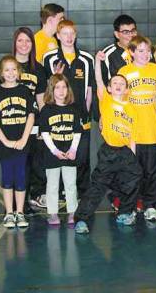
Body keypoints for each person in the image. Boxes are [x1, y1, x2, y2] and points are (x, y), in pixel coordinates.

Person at [74, 59, 142, 233]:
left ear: (127, 89)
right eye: (115, 83)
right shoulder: (106, 101)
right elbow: (98, 79)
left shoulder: (132, 108)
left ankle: (125, 213)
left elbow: (133, 135)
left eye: (122, 83)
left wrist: (133, 156)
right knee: (98, 186)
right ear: (110, 88)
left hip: (126, 152)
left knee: (133, 180)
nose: (118, 85)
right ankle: (82, 219)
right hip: (109, 151)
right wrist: (98, 62)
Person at [42, 20, 94, 198]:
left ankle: (82, 195)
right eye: (65, 33)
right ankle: (62, 194)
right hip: (58, 121)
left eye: (72, 33)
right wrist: (55, 74)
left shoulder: (87, 59)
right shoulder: (49, 58)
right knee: (59, 158)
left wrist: (85, 113)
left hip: (80, 120)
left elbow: (89, 90)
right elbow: (49, 88)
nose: (69, 37)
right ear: (57, 36)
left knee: (81, 159)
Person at [118, 36, 156, 221]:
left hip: (151, 130)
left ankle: (150, 205)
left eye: (148, 50)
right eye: (140, 50)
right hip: (131, 132)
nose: (146, 54)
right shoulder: (124, 71)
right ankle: (129, 206)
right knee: (130, 173)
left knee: (152, 172)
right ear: (131, 52)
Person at [0, 55, 35, 229]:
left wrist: (24, 138)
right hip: (5, 144)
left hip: (23, 142)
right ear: (1, 73)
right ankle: (9, 213)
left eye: (14, 69)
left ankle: (20, 212)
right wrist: (5, 141)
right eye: (6, 70)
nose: (10, 73)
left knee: (21, 177)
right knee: (7, 177)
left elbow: (31, 115)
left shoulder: (25, 91)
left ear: (19, 72)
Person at [12, 27, 48, 211]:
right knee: (17, 165)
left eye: (28, 41)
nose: (24, 44)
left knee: (35, 164)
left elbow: (41, 100)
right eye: (20, 40)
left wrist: (44, 126)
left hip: (33, 124)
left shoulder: (38, 69)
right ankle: (17, 204)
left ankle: (33, 197)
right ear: (15, 43)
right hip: (12, 124)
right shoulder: (7, 66)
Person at [40, 74, 82, 225]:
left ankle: (72, 212)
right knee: (52, 185)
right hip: (53, 154)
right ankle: (53, 213)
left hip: (70, 153)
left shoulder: (74, 109)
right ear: (51, 90)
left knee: (71, 184)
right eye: (57, 87)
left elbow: (77, 132)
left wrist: (73, 150)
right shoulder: (46, 110)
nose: (61, 90)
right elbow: (44, 133)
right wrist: (55, 151)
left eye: (64, 87)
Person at [101, 14, 138, 83]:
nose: (130, 35)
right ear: (117, 34)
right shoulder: (107, 55)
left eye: (133, 31)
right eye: (126, 32)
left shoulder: (145, 50)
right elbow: (104, 84)